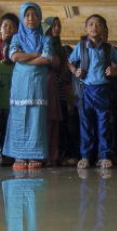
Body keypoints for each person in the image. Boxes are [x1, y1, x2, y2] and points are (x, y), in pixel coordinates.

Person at [3, 2, 53, 170]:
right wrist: (35, 54)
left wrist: (25, 59)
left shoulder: (46, 39)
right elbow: (14, 56)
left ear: (40, 18)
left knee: (36, 117)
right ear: (22, 18)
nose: (31, 18)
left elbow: (46, 59)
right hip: (20, 83)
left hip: (37, 83)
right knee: (18, 116)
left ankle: (34, 155)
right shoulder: (16, 38)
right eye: (27, 15)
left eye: (35, 15)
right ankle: (19, 155)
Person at [68, 14, 117, 169]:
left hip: (103, 90)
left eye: (98, 24)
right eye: (91, 24)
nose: (94, 27)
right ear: (86, 28)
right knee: (85, 124)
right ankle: (86, 156)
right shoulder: (80, 47)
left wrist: (114, 70)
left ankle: (104, 156)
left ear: (104, 29)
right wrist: (75, 71)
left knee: (103, 124)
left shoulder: (108, 48)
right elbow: (70, 62)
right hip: (85, 90)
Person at [0, 13, 19, 165]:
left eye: (12, 26)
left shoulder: (20, 48)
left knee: (10, 127)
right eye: (5, 26)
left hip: (12, 99)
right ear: (0, 28)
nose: (8, 29)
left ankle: (9, 154)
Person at [43, 16, 67, 166]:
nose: (57, 28)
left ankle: (53, 156)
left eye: (58, 25)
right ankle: (42, 155)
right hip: (43, 86)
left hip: (58, 90)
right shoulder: (41, 44)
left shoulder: (61, 48)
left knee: (55, 122)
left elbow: (63, 67)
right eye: (53, 26)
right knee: (43, 121)